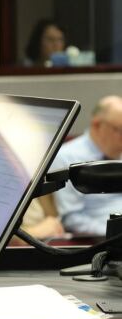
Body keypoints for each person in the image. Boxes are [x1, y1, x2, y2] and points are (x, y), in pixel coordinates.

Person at [53, 95, 122, 236]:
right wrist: (114, 234)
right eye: (120, 130)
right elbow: (71, 219)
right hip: (101, 241)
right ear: (97, 125)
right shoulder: (67, 157)